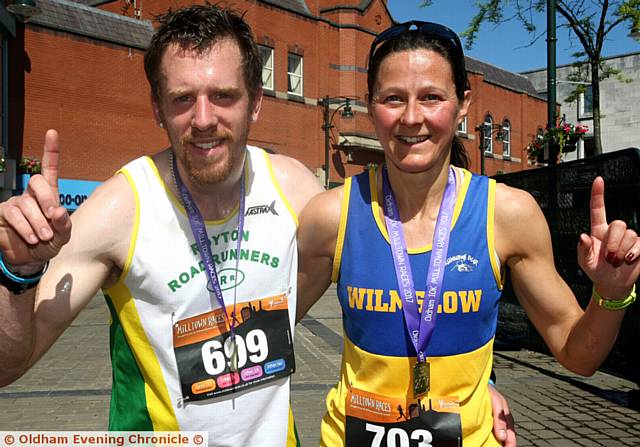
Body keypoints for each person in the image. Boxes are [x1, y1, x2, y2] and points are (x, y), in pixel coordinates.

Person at [0, 6, 516, 445]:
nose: (204, 118)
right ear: (157, 108)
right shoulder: (121, 207)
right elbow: (9, 365)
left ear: (257, 101)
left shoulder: (293, 189)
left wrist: (476, 383)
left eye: (223, 95)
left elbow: (414, 279)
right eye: (182, 99)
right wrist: (17, 270)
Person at [296, 21, 640, 446]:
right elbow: (262, 331)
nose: (411, 117)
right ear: (371, 106)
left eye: (431, 97)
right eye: (392, 99)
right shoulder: (332, 216)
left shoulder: (507, 214)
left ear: (462, 105)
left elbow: (579, 354)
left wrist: (611, 293)